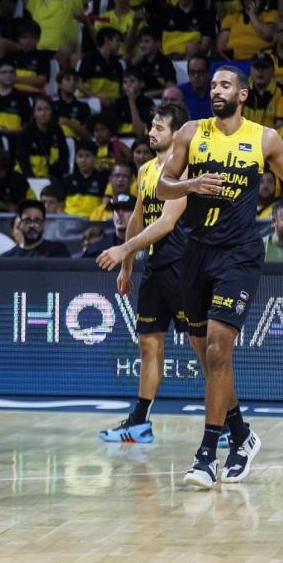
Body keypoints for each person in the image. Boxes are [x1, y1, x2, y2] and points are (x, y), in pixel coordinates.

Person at [156, 65, 283, 489]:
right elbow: (162, 187)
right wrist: (191, 184)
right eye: (212, 85)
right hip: (196, 252)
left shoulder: (264, 138)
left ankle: (207, 454)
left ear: (242, 94)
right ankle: (242, 434)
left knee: (217, 350)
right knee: (203, 354)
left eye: (225, 85)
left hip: (240, 255)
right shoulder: (191, 132)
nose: (216, 90)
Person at [95, 103, 213, 444]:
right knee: (148, 343)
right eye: (151, 125)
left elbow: (165, 223)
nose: (151, 132)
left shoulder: (186, 169)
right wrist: (127, 265)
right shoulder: (146, 169)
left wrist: (124, 249)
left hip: (184, 266)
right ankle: (140, 422)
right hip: (155, 268)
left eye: (159, 127)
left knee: (201, 346)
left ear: (176, 133)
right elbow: (138, 216)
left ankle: (222, 419)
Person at [2, 199, 71, 257]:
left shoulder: (58, 251)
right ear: (20, 223)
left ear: (44, 224)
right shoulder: (7, 257)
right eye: (27, 221)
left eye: (37, 221)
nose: (32, 225)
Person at [243, 52, 283, 129]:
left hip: (269, 138)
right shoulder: (241, 89)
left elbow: (281, 127)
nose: (260, 71)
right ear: (251, 70)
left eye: (264, 67)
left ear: (273, 71)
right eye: (257, 67)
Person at [82, 193, 133, 257]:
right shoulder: (97, 249)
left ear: (137, 214)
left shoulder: (146, 246)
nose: (119, 214)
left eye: (126, 209)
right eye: (116, 209)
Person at [178, 55, 214, 120]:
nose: (196, 76)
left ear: (208, 73)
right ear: (188, 73)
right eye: (192, 72)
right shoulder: (180, 92)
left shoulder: (216, 91)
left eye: (200, 72)